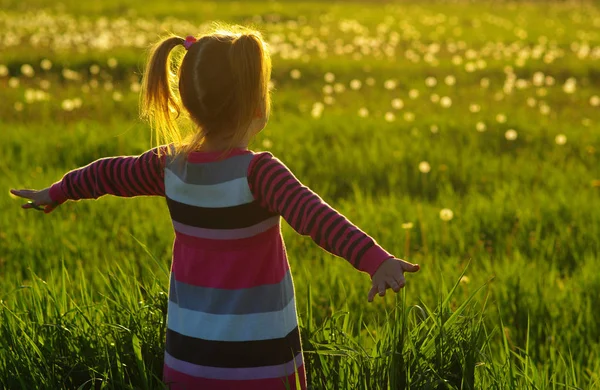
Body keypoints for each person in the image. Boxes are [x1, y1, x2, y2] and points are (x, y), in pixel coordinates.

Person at [10, 24, 420, 390]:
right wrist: (374, 259)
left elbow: (107, 174)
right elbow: (316, 218)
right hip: (261, 363)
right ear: (256, 107)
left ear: (190, 104)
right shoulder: (259, 173)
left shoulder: (168, 166)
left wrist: (58, 191)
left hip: (190, 359)